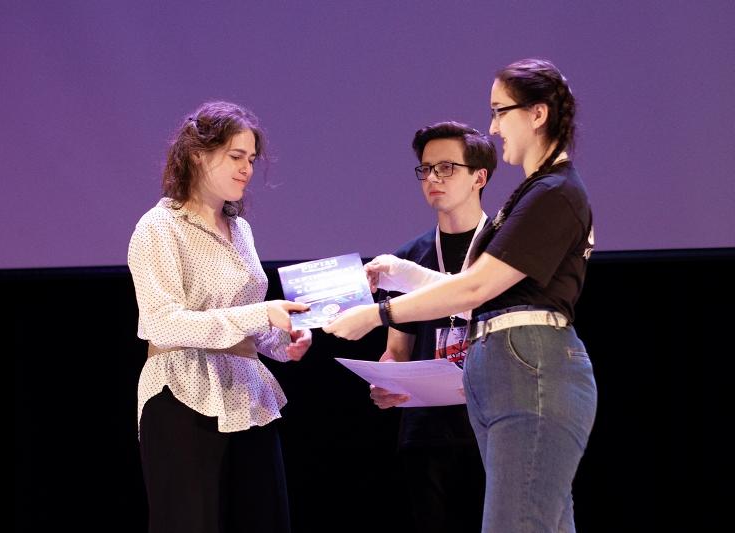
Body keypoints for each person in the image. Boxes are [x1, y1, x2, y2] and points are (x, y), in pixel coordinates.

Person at [324, 58, 597, 533]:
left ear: (537, 114)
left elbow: (476, 287)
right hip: (509, 371)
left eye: (500, 111)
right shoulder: (535, 192)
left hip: (531, 369)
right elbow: (477, 291)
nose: (493, 127)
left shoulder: (554, 192)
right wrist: (402, 272)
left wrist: (378, 314)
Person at [127, 101, 312, 533]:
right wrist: (261, 314)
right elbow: (162, 322)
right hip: (183, 393)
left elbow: (249, 318)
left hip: (248, 396)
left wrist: (284, 341)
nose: (247, 169)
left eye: (251, 159)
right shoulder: (159, 227)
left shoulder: (241, 230)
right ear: (197, 155)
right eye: (235, 156)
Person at [369, 121, 495, 533]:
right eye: (426, 169)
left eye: (446, 168)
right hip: (427, 433)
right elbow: (397, 350)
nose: (433, 178)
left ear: (479, 177)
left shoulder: (504, 249)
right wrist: (387, 378)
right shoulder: (408, 257)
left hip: (493, 426)